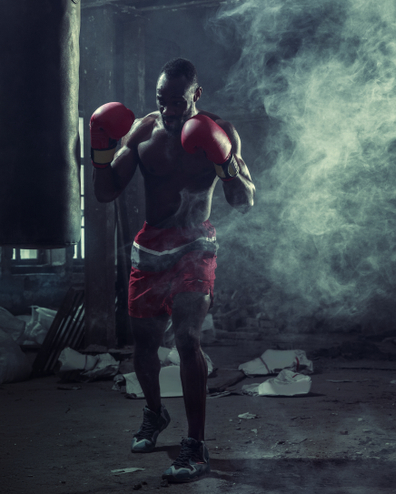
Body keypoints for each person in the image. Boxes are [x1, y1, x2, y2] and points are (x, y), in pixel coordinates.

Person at [89, 58, 255, 482]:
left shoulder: (222, 130)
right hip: (151, 245)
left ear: (196, 95)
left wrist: (226, 164)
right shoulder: (144, 131)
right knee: (143, 344)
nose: (168, 110)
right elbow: (106, 192)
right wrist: (101, 147)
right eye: (161, 100)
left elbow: (244, 200)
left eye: (177, 101)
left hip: (195, 243)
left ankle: (196, 448)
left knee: (186, 339)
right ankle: (154, 413)